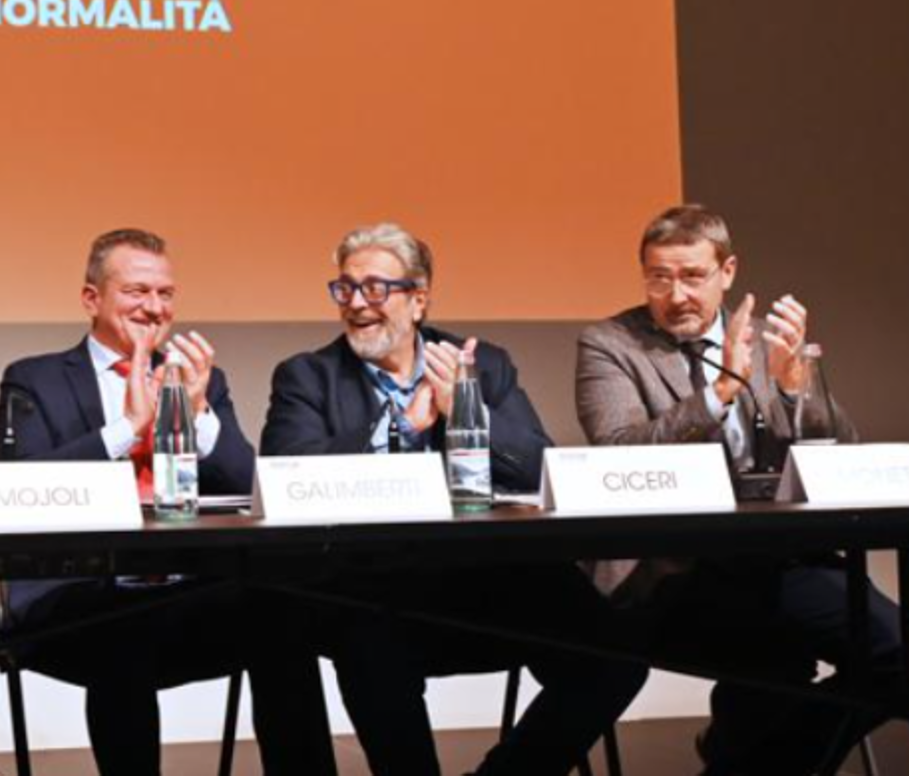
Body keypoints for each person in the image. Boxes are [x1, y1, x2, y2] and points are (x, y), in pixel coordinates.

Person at [263, 221, 647, 776]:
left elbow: (537, 465)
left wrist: (469, 413)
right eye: (345, 288)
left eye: (375, 288)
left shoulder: (483, 363)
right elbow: (288, 475)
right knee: (366, 642)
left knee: (615, 659)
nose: (356, 303)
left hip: (488, 576)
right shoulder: (307, 376)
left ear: (418, 299)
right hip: (371, 584)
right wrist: (400, 425)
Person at [576, 203, 909, 774]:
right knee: (772, 658)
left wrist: (798, 390)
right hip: (675, 567)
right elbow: (619, 452)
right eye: (659, 278)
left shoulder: (770, 343)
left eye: (692, 276)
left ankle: (756, 764)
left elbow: (841, 452)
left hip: (782, 557)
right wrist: (718, 394)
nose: (676, 295)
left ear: (727, 272)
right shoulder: (611, 343)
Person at [0, 228, 337, 776]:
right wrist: (127, 428)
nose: (154, 308)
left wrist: (198, 414)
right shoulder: (34, 379)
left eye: (165, 293)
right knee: (120, 625)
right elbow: (15, 489)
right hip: (76, 596)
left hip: (184, 587)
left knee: (283, 613)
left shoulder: (203, 380)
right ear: (91, 299)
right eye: (136, 292)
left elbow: (250, 486)